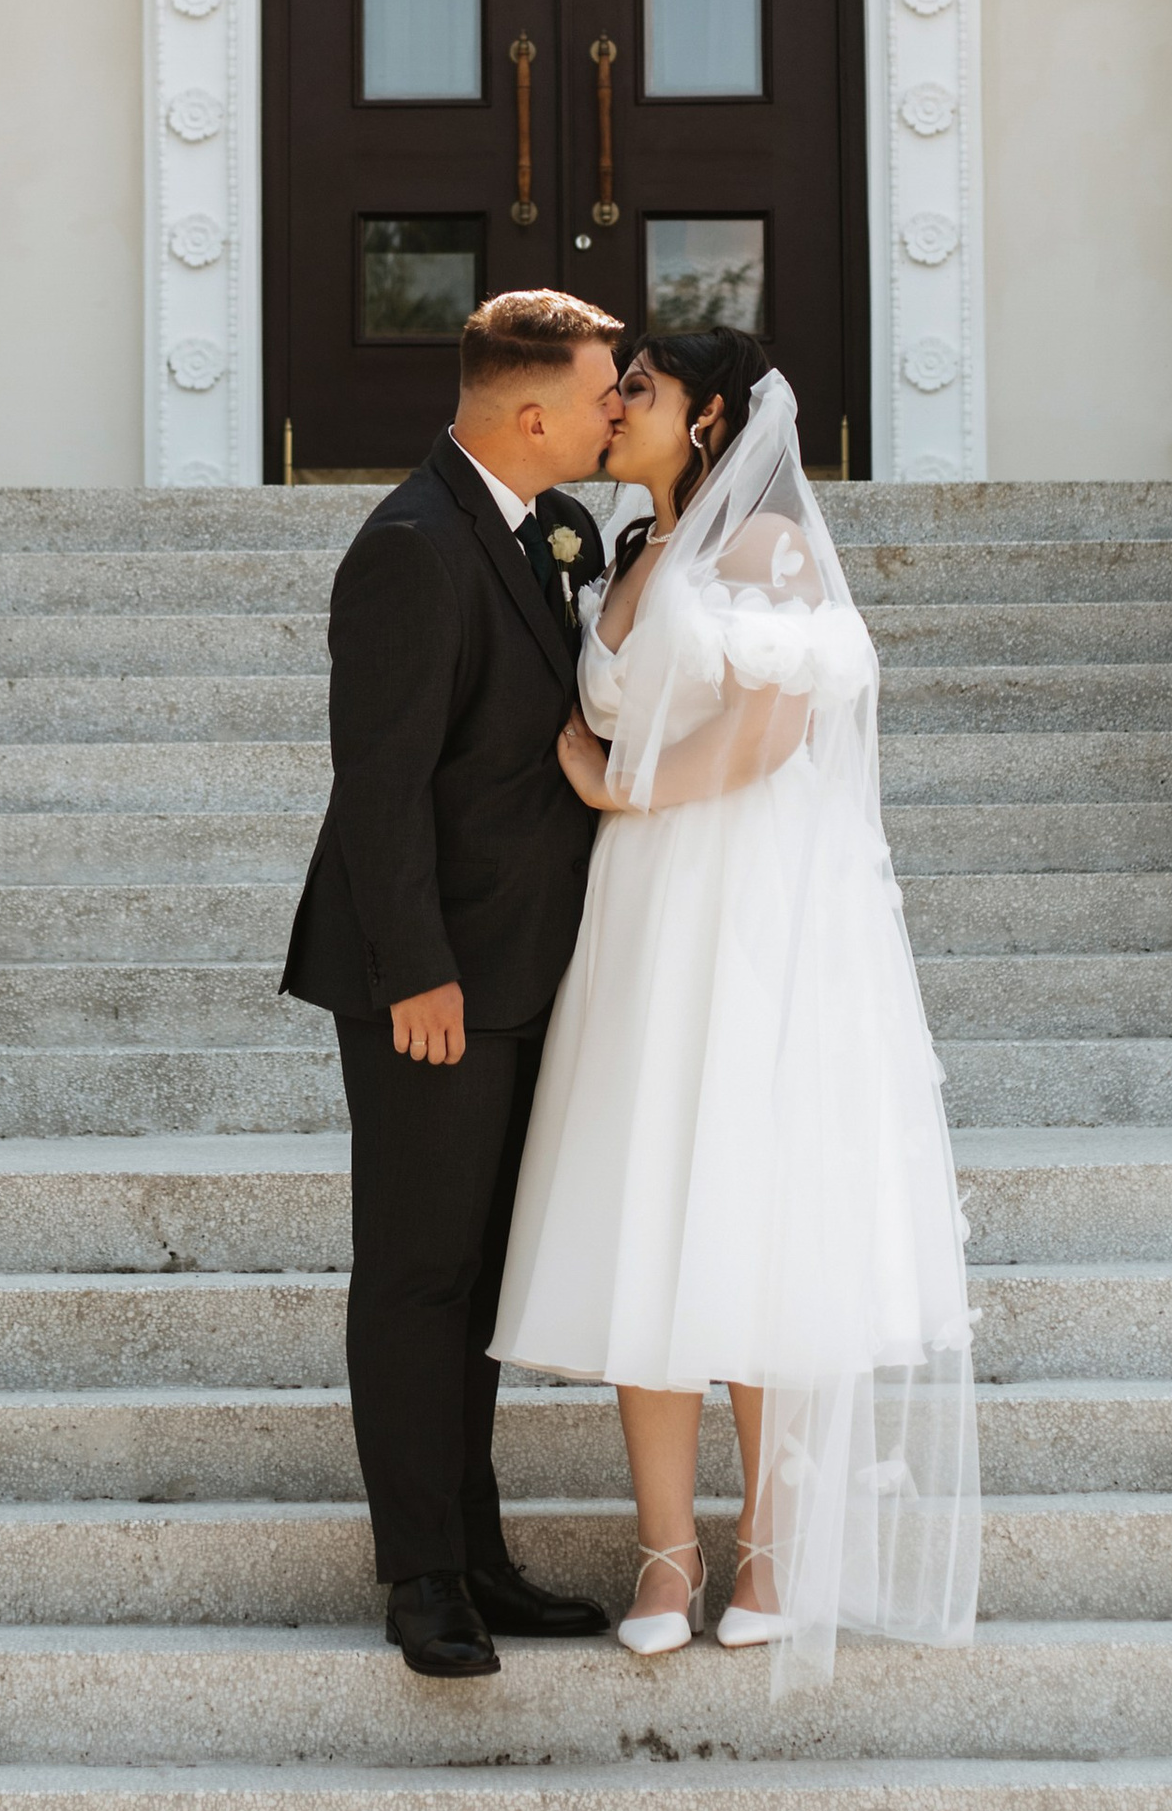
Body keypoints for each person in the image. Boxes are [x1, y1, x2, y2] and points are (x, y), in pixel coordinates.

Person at [491, 326, 979, 1686]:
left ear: (708, 418)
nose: (613, 404)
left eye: (636, 389)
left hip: (746, 907)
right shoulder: (631, 555)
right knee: (651, 1203)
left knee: (750, 1211)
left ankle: (764, 1543)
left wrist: (614, 785)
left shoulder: (766, 551)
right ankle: (665, 1550)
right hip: (644, 913)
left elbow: (771, 732)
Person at [280, 287, 625, 1679]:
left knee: (479, 1281)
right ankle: (421, 1576)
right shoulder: (412, 547)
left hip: (519, 970)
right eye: (605, 389)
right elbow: (379, 786)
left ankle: (479, 1553)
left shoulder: (535, 528)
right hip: (430, 982)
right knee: (420, 1279)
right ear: (530, 410)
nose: (618, 407)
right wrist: (415, 970)